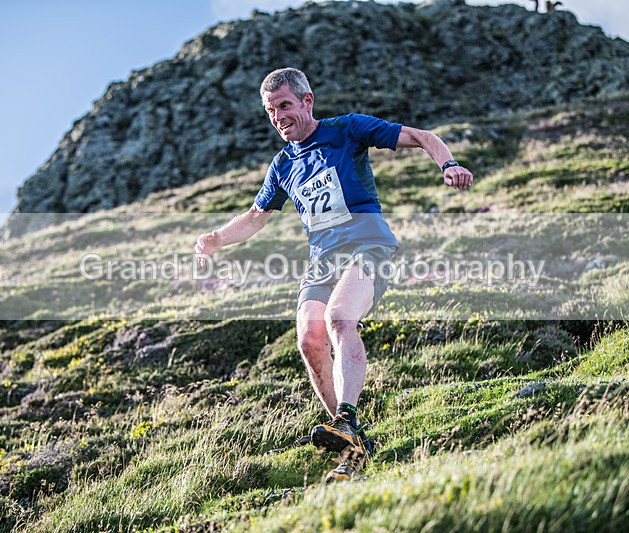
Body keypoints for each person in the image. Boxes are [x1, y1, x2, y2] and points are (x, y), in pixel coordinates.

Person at [194, 67, 472, 482]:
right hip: (322, 259)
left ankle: (346, 417)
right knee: (309, 339)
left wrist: (447, 163)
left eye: (285, 105)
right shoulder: (282, 164)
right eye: (271, 111)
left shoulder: (347, 129)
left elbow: (421, 136)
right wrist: (217, 238)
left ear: (307, 101)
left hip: (367, 245)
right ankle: (352, 440)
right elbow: (255, 217)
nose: (278, 117)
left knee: (340, 318)